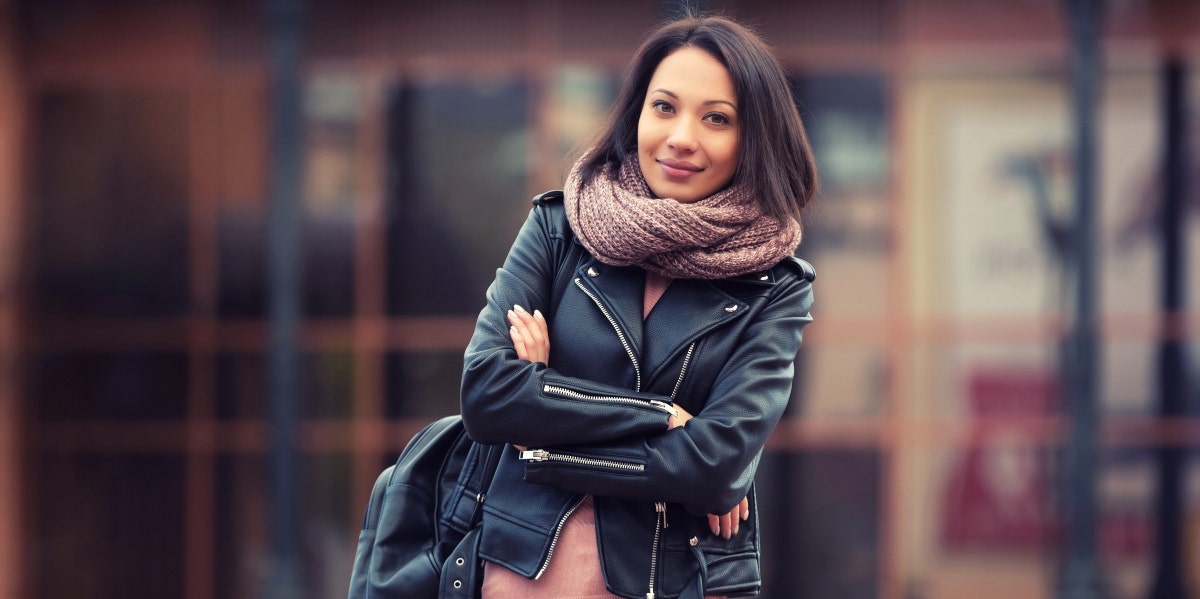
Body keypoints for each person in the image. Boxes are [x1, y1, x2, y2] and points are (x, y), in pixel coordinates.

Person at [459, 11, 817, 599]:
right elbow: (487, 393)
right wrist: (663, 416)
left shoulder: (774, 286)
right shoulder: (559, 230)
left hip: (672, 582)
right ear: (637, 114)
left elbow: (714, 463)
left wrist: (545, 426)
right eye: (665, 107)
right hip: (517, 577)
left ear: (753, 138)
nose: (681, 137)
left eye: (717, 119)